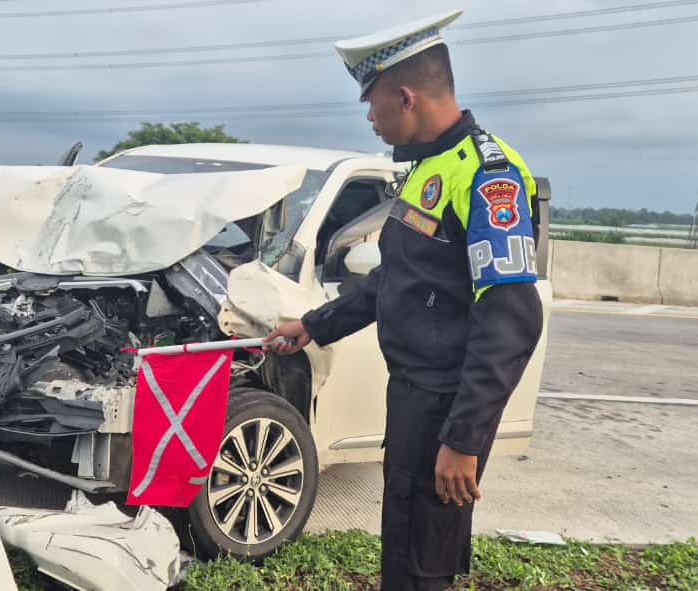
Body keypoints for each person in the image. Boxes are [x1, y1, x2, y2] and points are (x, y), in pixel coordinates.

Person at [264, 10, 545, 591]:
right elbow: (396, 281)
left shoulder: (489, 176)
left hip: (449, 404)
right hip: (412, 395)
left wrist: (463, 439)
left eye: (372, 101)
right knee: (404, 546)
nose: (369, 116)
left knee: (425, 565)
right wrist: (314, 325)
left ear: (406, 95)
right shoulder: (424, 171)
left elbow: (512, 318)